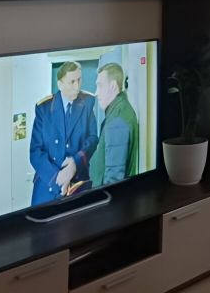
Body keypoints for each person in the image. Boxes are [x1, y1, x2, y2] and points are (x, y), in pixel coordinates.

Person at [29, 61, 98, 204]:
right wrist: (57, 178)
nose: (77, 86)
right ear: (60, 84)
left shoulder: (87, 103)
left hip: (78, 184)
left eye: (79, 80)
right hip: (47, 185)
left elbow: (92, 139)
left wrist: (75, 164)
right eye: (72, 82)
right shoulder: (44, 108)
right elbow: (35, 152)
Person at [90, 62, 140, 186]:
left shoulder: (117, 120)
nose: (96, 93)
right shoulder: (118, 111)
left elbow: (113, 180)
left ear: (112, 86)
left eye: (100, 86)